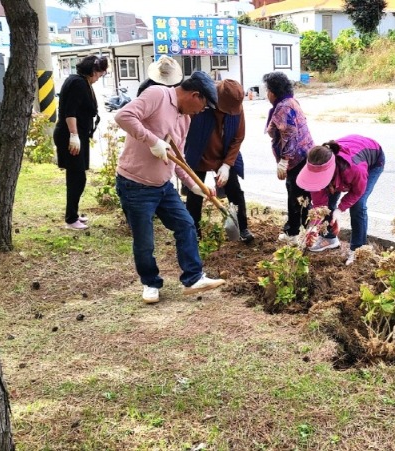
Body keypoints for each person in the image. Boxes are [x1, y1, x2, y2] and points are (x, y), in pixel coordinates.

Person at [114, 71, 225, 304]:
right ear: (195, 95)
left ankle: (193, 277)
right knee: (144, 240)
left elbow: (178, 158)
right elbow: (124, 116)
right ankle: (150, 282)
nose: (200, 112)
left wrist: (195, 184)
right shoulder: (157, 94)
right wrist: (152, 140)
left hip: (163, 187)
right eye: (203, 107)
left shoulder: (185, 119)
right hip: (135, 184)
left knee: (186, 225)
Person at [296, 135, 385, 265]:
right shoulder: (315, 169)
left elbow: (357, 192)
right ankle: (330, 239)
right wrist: (314, 227)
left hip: (373, 159)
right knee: (328, 203)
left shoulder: (355, 169)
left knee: (358, 206)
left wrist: (340, 209)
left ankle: (358, 250)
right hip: (342, 166)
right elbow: (320, 206)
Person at [183, 79, 253, 243]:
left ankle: (242, 228)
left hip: (224, 154)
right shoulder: (200, 101)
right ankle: (194, 232)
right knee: (195, 194)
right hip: (198, 154)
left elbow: (238, 137)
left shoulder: (236, 105)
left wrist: (227, 165)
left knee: (235, 191)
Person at [53, 54, 108, 230]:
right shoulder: (77, 83)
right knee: (77, 177)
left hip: (78, 135)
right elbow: (70, 112)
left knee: (76, 176)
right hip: (70, 136)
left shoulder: (81, 81)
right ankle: (70, 219)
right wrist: (73, 135)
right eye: (99, 74)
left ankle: (73, 214)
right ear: (93, 71)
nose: (99, 78)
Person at [263, 71, 314, 242]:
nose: (266, 94)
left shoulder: (284, 107)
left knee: (295, 195)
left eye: (267, 90)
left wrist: (284, 161)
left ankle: (293, 233)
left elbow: (290, 135)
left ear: (273, 91)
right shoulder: (290, 101)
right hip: (305, 155)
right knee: (304, 195)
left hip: (296, 159)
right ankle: (308, 231)